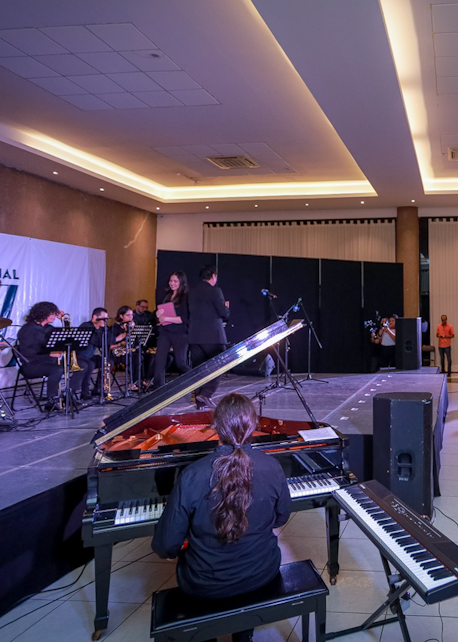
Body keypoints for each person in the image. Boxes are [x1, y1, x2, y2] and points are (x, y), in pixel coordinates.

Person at [152, 394, 291, 642]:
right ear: (254, 425)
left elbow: (165, 545)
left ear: (216, 427)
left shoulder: (192, 475)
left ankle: (208, 635)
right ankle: (243, 634)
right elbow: (281, 517)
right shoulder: (272, 466)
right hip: (262, 573)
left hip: (205, 585)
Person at [16, 301, 87, 411]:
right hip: (31, 364)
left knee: (82, 365)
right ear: (44, 314)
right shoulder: (27, 330)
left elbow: (67, 336)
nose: (54, 316)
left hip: (50, 361)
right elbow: (28, 353)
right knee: (57, 370)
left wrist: (63, 319)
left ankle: (69, 395)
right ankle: (51, 401)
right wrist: (48, 354)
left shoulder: (48, 328)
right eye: (53, 314)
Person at [188, 265, 230, 409]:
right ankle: (206, 393)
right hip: (213, 336)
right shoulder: (215, 291)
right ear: (213, 276)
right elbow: (223, 313)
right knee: (220, 364)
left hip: (194, 336)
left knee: (198, 369)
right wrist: (226, 307)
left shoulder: (192, 292)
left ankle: (200, 402)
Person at [153, 271, 191, 389]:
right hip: (165, 331)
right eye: (170, 281)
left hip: (180, 333)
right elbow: (161, 314)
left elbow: (184, 319)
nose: (172, 283)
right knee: (159, 361)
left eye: (175, 281)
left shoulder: (186, 297)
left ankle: (196, 381)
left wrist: (167, 318)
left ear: (181, 282)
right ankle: (158, 388)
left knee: (180, 363)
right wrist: (158, 314)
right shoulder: (167, 296)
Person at [76, 307, 110, 400]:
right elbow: (95, 341)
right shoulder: (86, 326)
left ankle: (98, 388)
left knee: (107, 361)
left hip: (89, 356)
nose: (105, 321)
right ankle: (83, 392)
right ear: (95, 317)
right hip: (80, 356)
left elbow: (110, 339)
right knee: (89, 365)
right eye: (103, 319)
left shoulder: (101, 329)